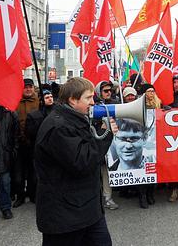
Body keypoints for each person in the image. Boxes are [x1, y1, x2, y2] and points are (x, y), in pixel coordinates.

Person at [34, 77, 118, 245]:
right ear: (72, 99)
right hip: (65, 218)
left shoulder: (74, 119)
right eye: (88, 98)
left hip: (85, 209)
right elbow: (83, 162)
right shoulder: (58, 127)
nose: (93, 102)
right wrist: (106, 135)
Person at [12, 78, 40, 208]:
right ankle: (20, 196)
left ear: (34, 88)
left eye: (30, 87)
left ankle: (32, 194)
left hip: (34, 143)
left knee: (33, 173)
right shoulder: (15, 101)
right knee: (19, 174)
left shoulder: (39, 102)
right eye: (25, 87)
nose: (28, 89)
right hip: (19, 143)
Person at [25, 90, 56, 203]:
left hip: (54, 150)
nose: (49, 98)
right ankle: (36, 197)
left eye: (51, 96)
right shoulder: (34, 115)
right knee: (37, 176)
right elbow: (29, 133)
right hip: (38, 150)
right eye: (46, 96)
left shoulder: (57, 112)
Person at [94, 80, 119, 210]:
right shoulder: (93, 106)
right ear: (99, 92)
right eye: (106, 91)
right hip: (97, 142)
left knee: (106, 172)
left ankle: (107, 198)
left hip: (110, 144)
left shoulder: (116, 104)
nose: (109, 93)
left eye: (111, 90)